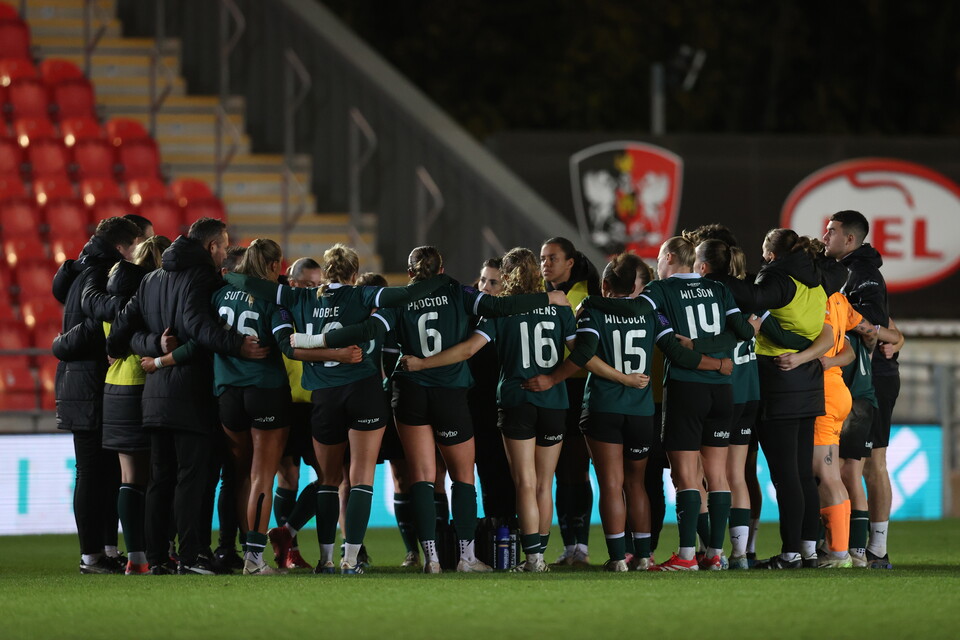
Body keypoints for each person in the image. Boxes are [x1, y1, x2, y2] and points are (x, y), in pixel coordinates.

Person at [224, 243, 454, 574]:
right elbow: (403, 296)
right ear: (355, 274)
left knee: (328, 481)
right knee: (361, 478)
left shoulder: (300, 297)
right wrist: (438, 281)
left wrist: (227, 276)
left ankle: (326, 559)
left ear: (327, 271)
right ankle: (351, 558)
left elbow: (253, 286)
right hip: (364, 392)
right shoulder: (363, 296)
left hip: (324, 398)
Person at [363, 246, 570, 573]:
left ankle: (429, 557)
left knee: (421, 478)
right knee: (469, 478)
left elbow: (373, 332)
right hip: (457, 394)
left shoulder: (399, 297)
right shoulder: (460, 293)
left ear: (411, 270)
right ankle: (475, 557)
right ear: (441, 266)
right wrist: (549, 301)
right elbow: (504, 309)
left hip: (412, 390)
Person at [533, 253, 732, 571]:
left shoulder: (592, 310)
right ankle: (643, 555)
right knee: (637, 485)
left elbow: (583, 352)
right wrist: (718, 364)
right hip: (642, 411)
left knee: (611, 485)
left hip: (603, 407)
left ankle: (617, 559)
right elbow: (675, 350)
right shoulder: (653, 313)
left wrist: (552, 377)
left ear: (606, 284)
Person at [107, 218, 269, 575]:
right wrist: (237, 345)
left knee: (160, 479)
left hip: (154, 396)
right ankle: (193, 555)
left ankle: (158, 557)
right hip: (191, 393)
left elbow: (119, 335)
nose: (226, 253)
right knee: (192, 478)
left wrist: (153, 347)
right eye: (224, 246)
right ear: (211, 247)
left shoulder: (150, 279)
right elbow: (199, 328)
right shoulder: (203, 278)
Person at [584, 237, 753, 571]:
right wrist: (717, 358)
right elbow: (745, 331)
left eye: (659, 258)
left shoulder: (660, 291)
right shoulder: (717, 288)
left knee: (686, 476)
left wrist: (589, 303)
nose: (656, 266)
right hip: (723, 390)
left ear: (670, 257)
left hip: (686, 389)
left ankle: (687, 556)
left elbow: (633, 311)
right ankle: (716, 554)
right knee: (717, 476)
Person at [707, 229, 833, 570]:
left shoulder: (779, 277)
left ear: (772, 255)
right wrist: (803, 353)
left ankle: (791, 552)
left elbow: (752, 299)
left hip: (778, 379)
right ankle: (807, 548)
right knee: (803, 474)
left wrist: (715, 277)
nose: (762, 259)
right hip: (807, 382)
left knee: (785, 475)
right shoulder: (816, 282)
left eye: (764, 253)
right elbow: (824, 331)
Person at [52, 216, 143, 574]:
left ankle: (104, 549)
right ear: (123, 246)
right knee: (92, 471)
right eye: (138, 244)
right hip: (88, 383)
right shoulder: (101, 273)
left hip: (87, 382)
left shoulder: (84, 268)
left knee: (104, 472)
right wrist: (119, 329)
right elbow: (96, 320)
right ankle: (91, 555)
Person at [208, 239, 294, 575]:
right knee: (262, 476)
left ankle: (242, 549)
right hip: (265, 390)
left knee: (239, 474)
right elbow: (284, 344)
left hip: (227, 393)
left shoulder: (219, 293)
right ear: (274, 266)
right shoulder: (271, 297)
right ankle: (254, 559)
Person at [822, 210, 900, 569]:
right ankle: (857, 548)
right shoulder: (846, 271)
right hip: (854, 376)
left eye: (831, 232)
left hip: (871, 377)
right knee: (852, 466)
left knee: (868, 465)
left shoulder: (862, 273)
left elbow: (875, 325)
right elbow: (888, 325)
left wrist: (890, 337)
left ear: (849, 239)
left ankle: (873, 549)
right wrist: (897, 336)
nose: (825, 237)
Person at [101, 235, 170, 574]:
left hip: (113, 387)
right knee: (154, 476)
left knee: (129, 476)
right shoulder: (150, 296)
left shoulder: (111, 295)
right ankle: (153, 552)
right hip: (143, 386)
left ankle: (137, 558)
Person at [540, 237, 600, 566]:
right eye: (543, 258)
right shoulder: (537, 293)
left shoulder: (590, 294)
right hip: (547, 387)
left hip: (578, 386)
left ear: (570, 262)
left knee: (577, 470)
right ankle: (569, 546)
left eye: (552, 258)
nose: (546, 263)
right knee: (560, 471)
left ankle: (582, 546)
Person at [468, 259, 516, 522]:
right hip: (478, 408)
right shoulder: (470, 316)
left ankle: (511, 537)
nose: (484, 287)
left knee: (513, 477)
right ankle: (494, 535)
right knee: (486, 472)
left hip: (510, 407)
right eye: (483, 279)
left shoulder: (513, 319)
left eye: (493, 282)